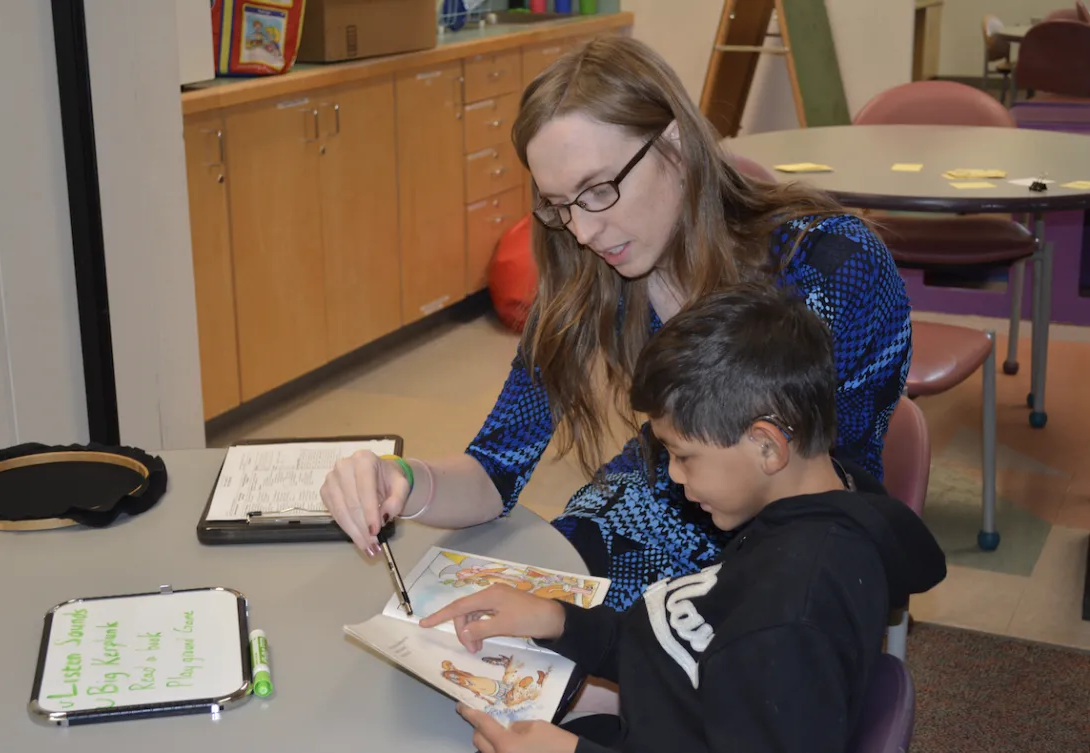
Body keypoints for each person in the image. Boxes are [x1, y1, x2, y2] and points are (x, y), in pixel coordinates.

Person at [320, 35, 912, 611]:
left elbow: (833, 496)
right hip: (653, 506)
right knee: (501, 627)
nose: (581, 231)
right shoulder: (593, 276)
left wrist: (612, 667)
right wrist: (399, 478)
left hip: (795, 551)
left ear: (674, 144)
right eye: (558, 205)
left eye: (598, 190)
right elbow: (494, 468)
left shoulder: (833, 264)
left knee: (551, 665)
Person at [419, 285, 946, 753]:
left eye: (683, 455)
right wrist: (559, 622)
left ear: (766, 445)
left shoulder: (790, 618)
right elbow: (682, 644)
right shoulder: (802, 514)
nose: (671, 475)